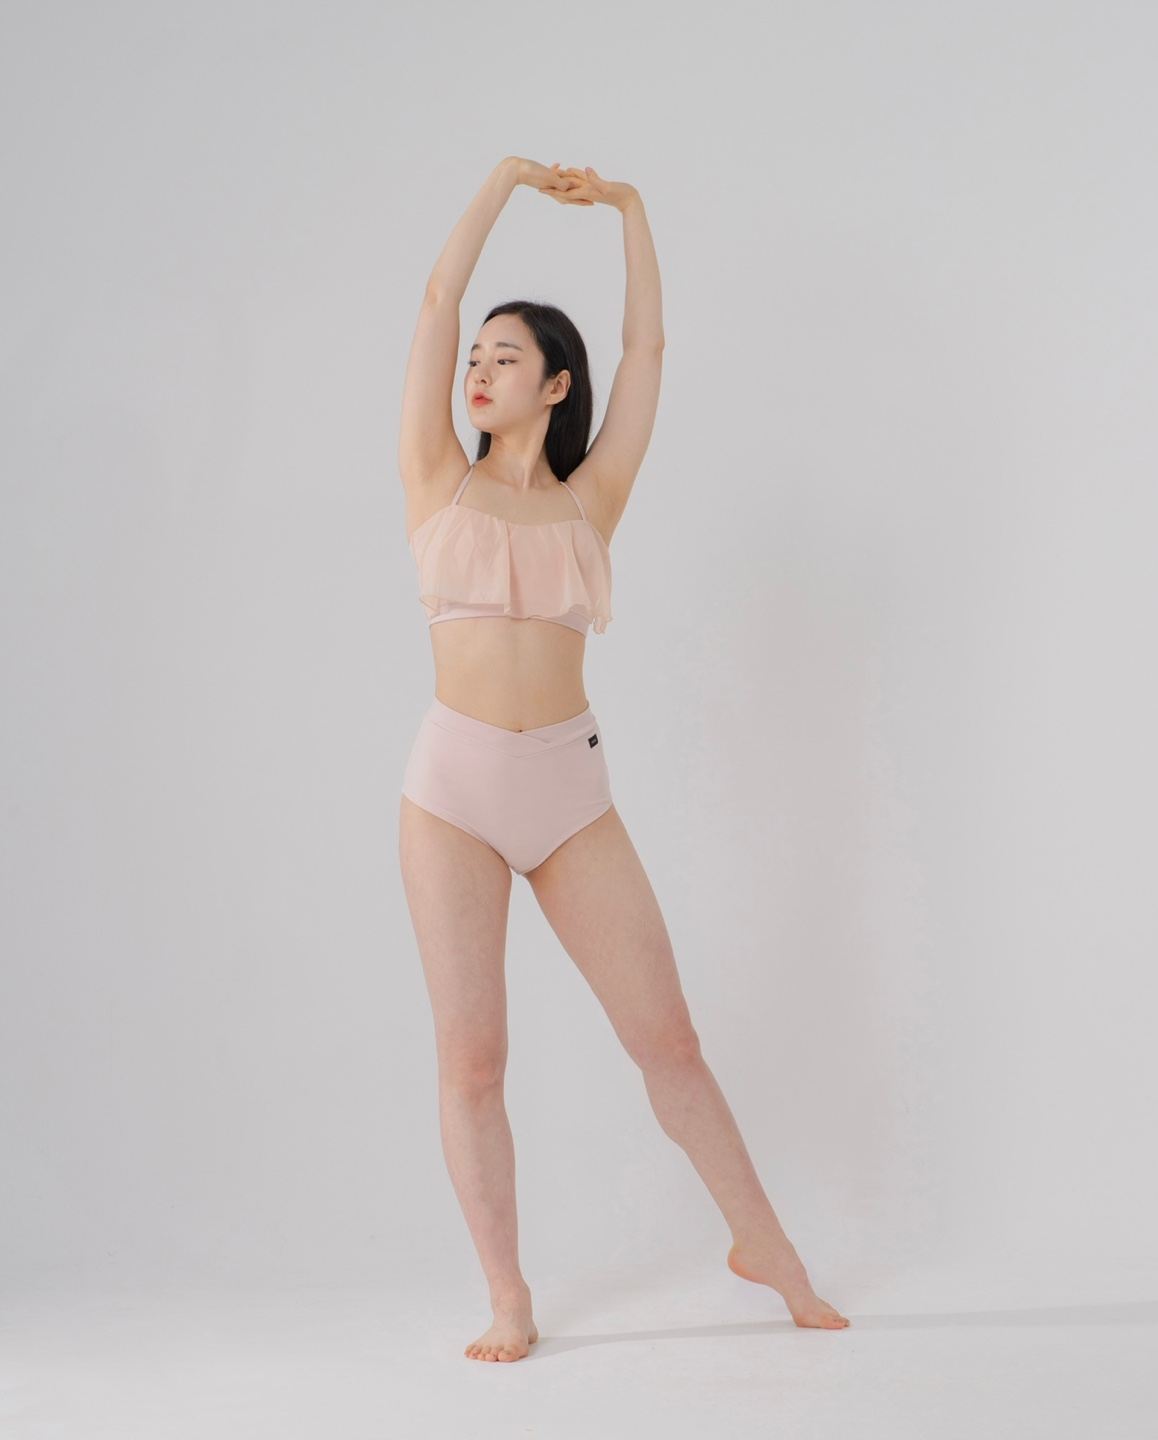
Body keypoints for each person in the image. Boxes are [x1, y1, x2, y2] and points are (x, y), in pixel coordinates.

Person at [397, 156, 850, 1362]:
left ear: (555, 385)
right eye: (474, 358)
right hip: (449, 794)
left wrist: (633, 214)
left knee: (668, 1042)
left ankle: (769, 1251)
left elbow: (646, 352)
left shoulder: (591, 500)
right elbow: (435, 298)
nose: (477, 369)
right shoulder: (435, 476)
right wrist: (500, 183)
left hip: (566, 788)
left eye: (505, 358)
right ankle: (508, 1296)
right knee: (472, 1061)